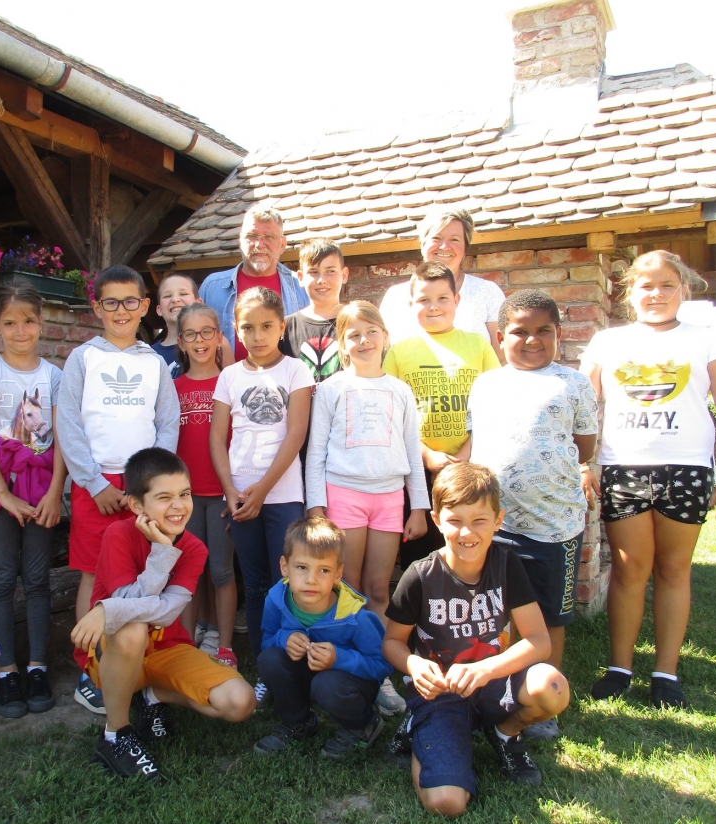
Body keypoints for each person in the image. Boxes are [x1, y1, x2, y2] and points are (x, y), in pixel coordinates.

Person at [580, 250, 716, 709]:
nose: (656, 294)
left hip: (687, 470)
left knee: (674, 570)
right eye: (647, 286)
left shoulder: (707, 339)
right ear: (629, 292)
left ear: (684, 289)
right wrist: (582, 462)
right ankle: (620, 668)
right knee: (629, 570)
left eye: (667, 285)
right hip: (624, 469)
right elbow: (581, 407)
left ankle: (665, 673)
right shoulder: (607, 342)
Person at [383, 463, 570, 818]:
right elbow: (392, 642)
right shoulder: (419, 576)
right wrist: (413, 664)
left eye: (479, 520)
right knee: (446, 803)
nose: (467, 532)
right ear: (437, 520)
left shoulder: (506, 563)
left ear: (498, 520)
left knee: (552, 687)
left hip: (492, 683)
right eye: (455, 520)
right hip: (440, 694)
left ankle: (505, 734)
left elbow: (539, 641)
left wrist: (486, 670)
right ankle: (419, 727)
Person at [458, 289, 598, 740]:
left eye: (544, 331)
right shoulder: (486, 385)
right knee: (493, 615)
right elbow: (477, 443)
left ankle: (543, 698)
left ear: (559, 335)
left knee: (549, 617)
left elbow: (585, 446)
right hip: (494, 525)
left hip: (553, 526)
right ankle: (495, 692)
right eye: (520, 331)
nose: (532, 340)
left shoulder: (573, 384)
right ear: (500, 337)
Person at [70, 448, 255, 782]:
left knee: (240, 702)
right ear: (136, 505)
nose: (178, 506)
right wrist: (161, 554)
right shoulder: (119, 534)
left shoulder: (194, 548)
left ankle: (151, 695)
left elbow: (169, 611)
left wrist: (107, 609)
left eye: (184, 494)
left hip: (167, 648)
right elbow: (129, 605)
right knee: (132, 629)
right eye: (164, 497)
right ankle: (116, 736)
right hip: (115, 654)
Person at [57, 264, 180, 714]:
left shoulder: (154, 363)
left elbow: (167, 423)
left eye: (131, 301)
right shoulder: (83, 358)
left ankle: (139, 661)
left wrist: (150, 483)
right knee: (95, 574)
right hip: (97, 486)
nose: (121, 310)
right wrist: (93, 484)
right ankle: (90, 668)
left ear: (145, 306)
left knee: (146, 571)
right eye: (111, 302)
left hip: (141, 487)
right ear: (97, 308)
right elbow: (68, 425)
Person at [305, 300, 428, 716]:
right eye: (353, 335)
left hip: (389, 499)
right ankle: (346, 667)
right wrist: (316, 506)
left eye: (371, 332)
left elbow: (412, 450)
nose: (363, 340)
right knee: (348, 589)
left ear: (385, 337)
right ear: (342, 344)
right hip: (344, 496)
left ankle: (379, 670)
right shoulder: (332, 389)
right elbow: (316, 452)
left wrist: (419, 507)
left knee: (378, 590)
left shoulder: (400, 390)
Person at [0, 280, 68, 718]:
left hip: (42, 489)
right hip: (1, 489)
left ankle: (38, 666)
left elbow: (63, 439)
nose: (20, 331)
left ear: (41, 323)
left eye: (28, 321)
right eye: (10, 323)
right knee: (4, 575)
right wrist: (4, 495)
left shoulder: (55, 377)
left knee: (38, 577)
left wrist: (55, 493)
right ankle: (6, 669)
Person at [209, 286, 314, 688]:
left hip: (282, 497)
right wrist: (230, 490)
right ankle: (265, 670)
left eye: (267, 326)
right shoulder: (229, 376)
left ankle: (291, 666)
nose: (257, 336)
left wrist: (263, 490)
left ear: (281, 327)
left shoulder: (295, 371)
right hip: (240, 499)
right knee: (254, 586)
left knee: (285, 584)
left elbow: (296, 433)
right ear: (236, 329)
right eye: (248, 328)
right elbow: (217, 439)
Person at [384, 261, 501, 566]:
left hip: (471, 467)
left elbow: (495, 405)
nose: (433, 306)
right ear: (411, 305)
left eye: (442, 298)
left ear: (457, 300)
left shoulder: (478, 345)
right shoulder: (399, 351)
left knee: (467, 553)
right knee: (421, 560)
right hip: (418, 471)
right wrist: (426, 455)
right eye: (424, 299)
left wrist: (466, 453)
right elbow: (390, 415)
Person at [254, 516, 391, 758]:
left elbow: (382, 665)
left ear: (338, 574)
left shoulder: (355, 616)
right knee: (270, 659)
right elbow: (267, 642)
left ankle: (362, 724)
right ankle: (298, 721)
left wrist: (339, 658)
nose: (311, 579)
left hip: (346, 684)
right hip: (305, 675)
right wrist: (283, 638)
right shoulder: (276, 599)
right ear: (284, 567)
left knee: (326, 685)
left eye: (324, 570)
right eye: (301, 567)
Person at [173, 303, 239, 669]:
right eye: (190, 334)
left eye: (206, 332)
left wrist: (235, 490)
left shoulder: (233, 383)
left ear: (218, 337)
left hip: (222, 495)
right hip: (184, 498)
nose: (199, 341)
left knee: (221, 571)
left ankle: (225, 646)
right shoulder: (173, 388)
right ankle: (185, 645)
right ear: (180, 342)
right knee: (189, 571)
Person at [378, 208, 505, 361]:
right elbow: (381, 355)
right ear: (423, 244)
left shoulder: (487, 292)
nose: (444, 246)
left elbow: (502, 357)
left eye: (454, 239)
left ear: (465, 249)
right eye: (436, 238)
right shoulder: (395, 297)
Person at [199, 205, 309, 360]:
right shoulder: (212, 288)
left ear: (283, 244)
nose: (259, 244)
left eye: (269, 237)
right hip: (227, 376)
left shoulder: (302, 287)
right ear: (240, 241)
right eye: (252, 236)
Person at [279, 237, 348, 384]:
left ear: (344, 275)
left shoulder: (356, 322)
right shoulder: (285, 328)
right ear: (300, 278)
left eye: (330, 271)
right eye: (313, 272)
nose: (322, 280)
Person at [151, 272, 232, 377]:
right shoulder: (151, 354)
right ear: (159, 309)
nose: (175, 300)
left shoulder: (217, 342)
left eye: (183, 294)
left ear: (199, 303)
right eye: (167, 296)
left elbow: (231, 382)